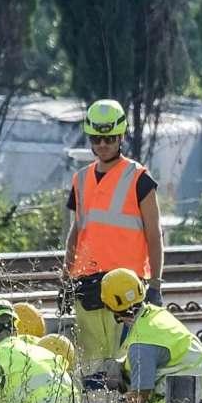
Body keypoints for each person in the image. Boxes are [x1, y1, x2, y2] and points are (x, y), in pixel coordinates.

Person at [64, 97, 164, 367]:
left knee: (124, 365)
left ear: (121, 136)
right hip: (87, 288)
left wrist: (155, 285)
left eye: (109, 139)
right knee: (90, 365)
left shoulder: (139, 178)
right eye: (96, 139)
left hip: (126, 288)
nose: (102, 144)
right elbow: (76, 233)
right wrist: (66, 279)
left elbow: (154, 235)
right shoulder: (80, 179)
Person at [100, 267, 202, 403]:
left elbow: (139, 398)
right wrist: (122, 366)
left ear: (109, 306)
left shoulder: (141, 344)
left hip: (193, 393)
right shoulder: (153, 314)